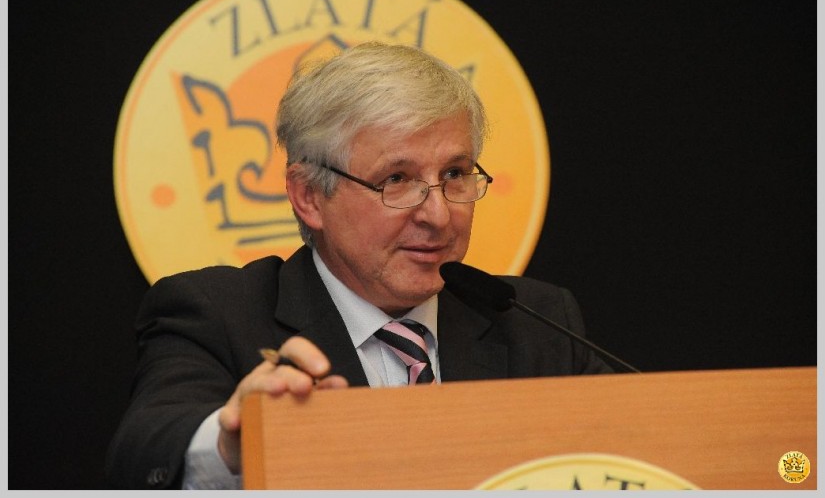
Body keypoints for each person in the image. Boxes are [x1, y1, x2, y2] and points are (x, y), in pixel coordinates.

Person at [105, 42, 613, 490]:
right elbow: (144, 452)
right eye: (396, 179)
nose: (438, 215)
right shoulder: (218, 314)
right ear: (309, 196)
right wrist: (234, 442)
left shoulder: (536, 322)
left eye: (455, 174)